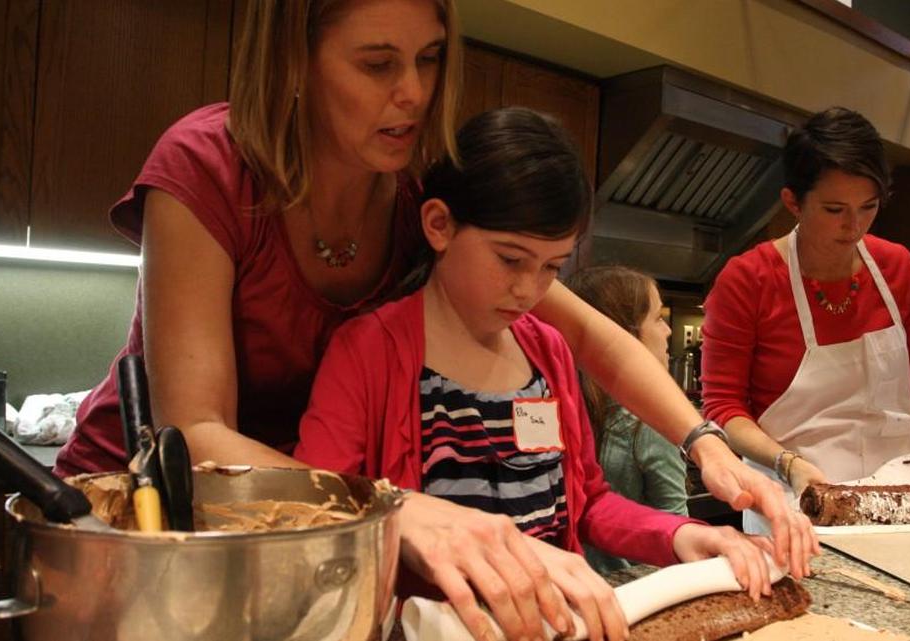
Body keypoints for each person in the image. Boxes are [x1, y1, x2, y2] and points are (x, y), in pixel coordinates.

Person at [52, 1, 813, 638]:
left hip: (303, 518)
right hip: (151, 514)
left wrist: (706, 443)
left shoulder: (414, 185)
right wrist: (398, 507)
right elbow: (196, 430)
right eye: (378, 64)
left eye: (430, 59)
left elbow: (591, 337)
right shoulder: (206, 168)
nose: (414, 93)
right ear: (293, 58)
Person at [295, 107, 781, 641]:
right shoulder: (369, 351)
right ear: (439, 225)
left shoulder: (546, 349)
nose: (529, 290)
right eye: (510, 259)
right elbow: (320, 514)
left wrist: (680, 535)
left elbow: (588, 501)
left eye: (552, 267)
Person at [701, 107, 910, 531]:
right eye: (834, 210)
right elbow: (723, 408)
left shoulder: (897, 268)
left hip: (898, 500)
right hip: (796, 502)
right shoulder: (748, 279)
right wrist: (791, 465)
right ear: (793, 201)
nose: (854, 226)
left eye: (868, 207)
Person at [565, 265, 689, 573]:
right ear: (622, 334)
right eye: (658, 318)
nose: (668, 330)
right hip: (631, 592)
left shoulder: (562, 402)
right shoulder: (647, 421)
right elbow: (677, 524)